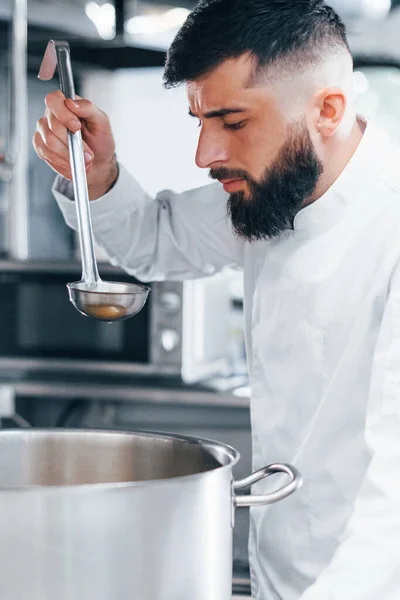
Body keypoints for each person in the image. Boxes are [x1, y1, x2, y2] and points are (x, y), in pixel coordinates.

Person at [33, 0, 400, 598]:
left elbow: (396, 506)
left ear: (328, 109)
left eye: (232, 122)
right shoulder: (278, 190)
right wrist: (95, 175)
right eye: (199, 121)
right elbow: (154, 239)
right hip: (280, 574)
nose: (204, 154)